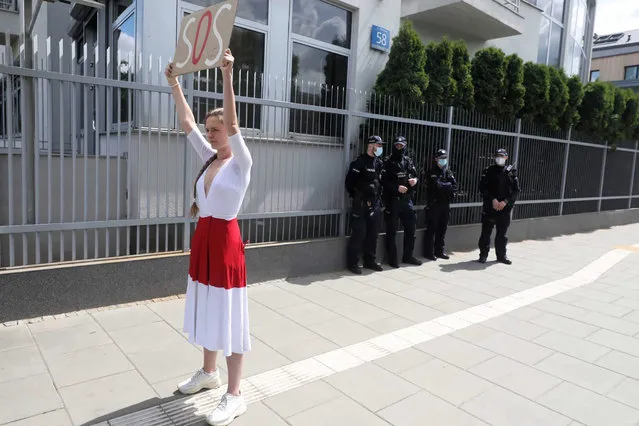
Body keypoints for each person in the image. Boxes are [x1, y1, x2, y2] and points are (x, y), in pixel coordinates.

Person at [165, 49, 252, 426]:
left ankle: (234, 395)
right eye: (210, 130)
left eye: (214, 129)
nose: (210, 133)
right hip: (204, 242)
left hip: (226, 245)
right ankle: (208, 373)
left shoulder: (241, 164)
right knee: (207, 308)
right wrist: (173, 83)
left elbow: (233, 125)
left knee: (229, 316)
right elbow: (186, 122)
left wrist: (227, 77)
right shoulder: (209, 157)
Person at [345, 135, 385, 274]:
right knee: (359, 233)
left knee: (373, 233)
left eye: (381, 146)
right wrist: (358, 195)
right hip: (361, 204)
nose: (380, 148)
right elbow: (349, 183)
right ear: (370, 146)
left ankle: (370, 261)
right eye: (378, 145)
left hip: (374, 203)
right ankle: (353, 263)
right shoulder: (359, 163)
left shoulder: (378, 163)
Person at [381, 136, 422, 267]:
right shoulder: (387, 161)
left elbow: (416, 175)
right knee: (391, 231)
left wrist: (415, 181)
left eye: (401, 146)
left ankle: (408, 256)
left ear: (405, 146)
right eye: (397, 145)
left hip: (407, 201)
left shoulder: (408, 161)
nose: (399, 147)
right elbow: (382, 181)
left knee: (411, 229)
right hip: (393, 201)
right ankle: (392, 259)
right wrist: (396, 187)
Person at [478, 148, 520, 265]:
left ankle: (501, 256)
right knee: (486, 233)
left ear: (506, 157)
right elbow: (482, 187)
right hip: (490, 207)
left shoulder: (511, 172)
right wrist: (493, 199)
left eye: (502, 156)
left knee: (502, 234)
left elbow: (516, 191)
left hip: (504, 208)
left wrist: (505, 202)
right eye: (497, 156)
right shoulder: (488, 171)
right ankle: (483, 255)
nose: (499, 158)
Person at [424, 149, 457, 261]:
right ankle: (429, 252)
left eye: (445, 158)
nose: (443, 160)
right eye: (441, 158)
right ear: (436, 159)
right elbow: (436, 186)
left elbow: (454, 187)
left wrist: (444, 186)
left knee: (442, 229)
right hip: (434, 205)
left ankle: (439, 251)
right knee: (432, 229)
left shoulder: (448, 172)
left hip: (445, 205)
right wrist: (447, 186)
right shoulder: (431, 172)